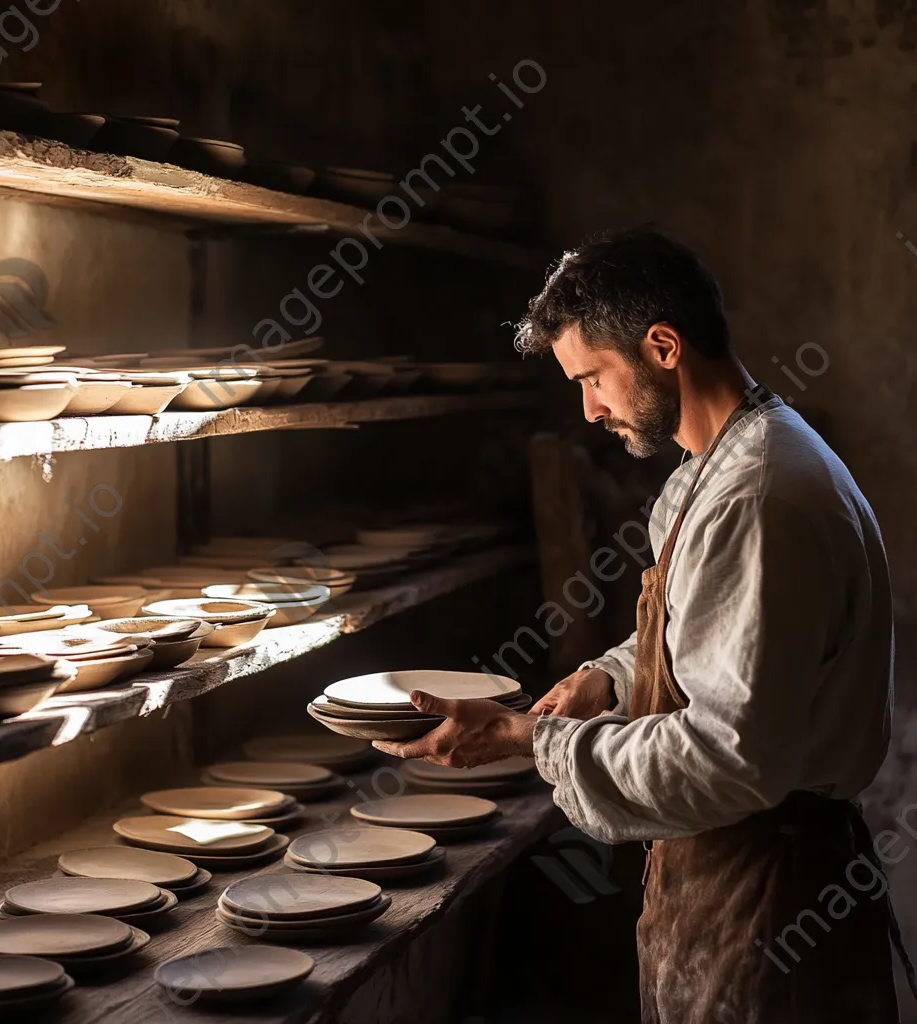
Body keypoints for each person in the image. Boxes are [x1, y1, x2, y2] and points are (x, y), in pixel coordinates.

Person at [373, 228, 916, 1023]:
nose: (588, 408)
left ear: (663, 346)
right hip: (730, 880)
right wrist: (611, 678)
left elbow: (729, 758)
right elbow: (710, 636)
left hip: (772, 901)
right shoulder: (716, 468)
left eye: (594, 377)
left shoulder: (758, 495)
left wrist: (531, 740)